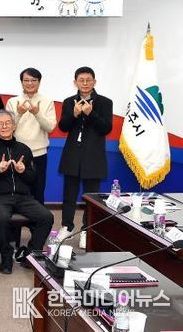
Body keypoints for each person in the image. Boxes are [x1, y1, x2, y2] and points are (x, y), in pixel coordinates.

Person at [0, 110, 53, 274]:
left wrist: (23, 171)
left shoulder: (24, 149)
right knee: (2, 218)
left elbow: (33, 178)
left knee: (46, 217)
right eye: (0, 124)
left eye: (8, 123)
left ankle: (31, 254)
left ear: (14, 126)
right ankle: (6, 256)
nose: (4, 126)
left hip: (23, 197)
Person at [57, 66, 113, 243]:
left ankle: (86, 230)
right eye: (81, 80)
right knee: (69, 195)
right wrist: (73, 114)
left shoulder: (105, 102)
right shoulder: (68, 102)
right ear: (75, 82)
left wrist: (91, 114)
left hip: (93, 155)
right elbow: (63, 127)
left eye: (89, 80)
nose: (85, 83)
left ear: (94, 82)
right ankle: (67, 226)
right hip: (72, 154)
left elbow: (106, 128)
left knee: (91, 196)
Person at [5, 68, 57, 204]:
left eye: (33, 80)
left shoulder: (47, 101)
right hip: (16, 152)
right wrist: (19, 113)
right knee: (17, 191)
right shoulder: (13, 101)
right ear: (21, 82)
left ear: (39, 82)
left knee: (38, 191)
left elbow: (50, 127)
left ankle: (38, 217)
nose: (29, 83)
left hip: (39, 153)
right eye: (26, 80)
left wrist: (37, 113)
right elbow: (6, 128)